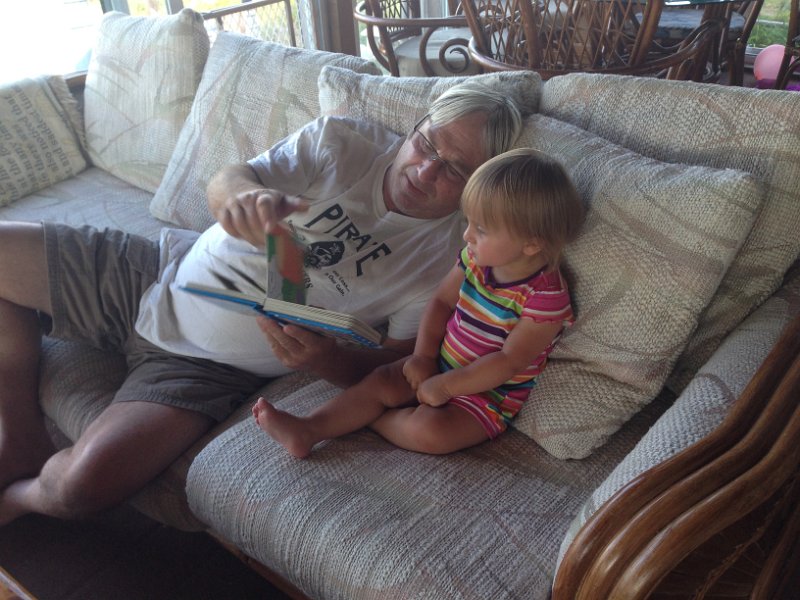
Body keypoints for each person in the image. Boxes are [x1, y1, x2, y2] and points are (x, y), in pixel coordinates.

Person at [0, 80, 524, 525]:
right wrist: (241, 199)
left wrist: (326, 360)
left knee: (79, 489)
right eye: (427, 144)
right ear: (416, 127)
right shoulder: (343, 142)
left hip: (202, 371)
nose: (425, 171)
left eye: (454, 170)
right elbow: (226, 181)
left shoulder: (447, 258)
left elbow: (398, 362)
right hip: (150, 270)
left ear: (478, 184)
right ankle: (20, 433)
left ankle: (18, 498)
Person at [253, 148, 585, 458]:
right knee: (382, 380)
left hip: (485, 397)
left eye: (481, 229)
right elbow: (441, 302)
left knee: (431, 432)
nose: (467, 235)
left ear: (531, 245)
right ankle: (309, 429)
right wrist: (423, 357)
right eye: (468, 222)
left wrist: (448, 386)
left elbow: (508, 361)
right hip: (439, 363)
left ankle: (372, 418)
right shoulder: (475, 259)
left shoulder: (545, 300)